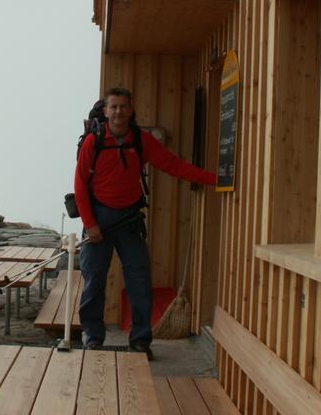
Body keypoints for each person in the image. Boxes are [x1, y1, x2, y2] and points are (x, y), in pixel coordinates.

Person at [74, 87, 216, 360]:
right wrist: (90, 224)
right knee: (94, 282)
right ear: (106, 111)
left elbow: (174, 165)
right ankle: (92, 338)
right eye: (113, 107)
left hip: (129, 220)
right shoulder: (94, 141)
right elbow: (80, 185)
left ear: (131, 110)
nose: (118, 112)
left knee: (139, 282)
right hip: (98, 219)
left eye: (123, 107)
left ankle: (140, 341)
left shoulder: (140, 140)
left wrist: (215, 179)